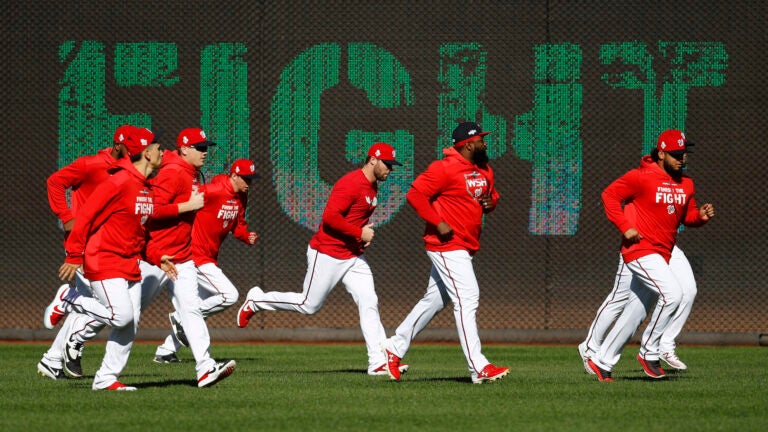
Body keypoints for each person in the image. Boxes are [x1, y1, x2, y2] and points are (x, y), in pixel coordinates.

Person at [236, 143, 407, 377]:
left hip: (352, 255)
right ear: (373, 161)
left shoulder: (372, 185)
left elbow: (351, 219)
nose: (391, 169)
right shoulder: (351, 183)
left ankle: (378, 361)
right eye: (388, 164)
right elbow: (329, 218)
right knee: (309, 305)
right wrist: (359, 233)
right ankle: (256, 300)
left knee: (369, 301)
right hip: (327, 252)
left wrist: (361, 233)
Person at [382, 121, 509, 384]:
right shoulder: (444, 168)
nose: (485, 144)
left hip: (465, 244)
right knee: (468, 298)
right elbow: (415, 194)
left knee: (434, 300)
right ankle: (479, 367)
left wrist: (490, 202)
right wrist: (437, 221)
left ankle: (394, 347)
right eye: (481, 140)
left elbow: (492, 196)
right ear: (468, 144)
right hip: (446, 245)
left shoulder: (484, 170)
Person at [586, 130, 715, 382]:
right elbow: (609, 195)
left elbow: (686, 217)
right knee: (673, 294)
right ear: (661, 153)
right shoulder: (640, 177)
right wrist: (625, 226)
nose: (682, 158)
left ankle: (602, 361)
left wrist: (699, 217)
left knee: (636, 312)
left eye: (684, 153)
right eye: (676, 154)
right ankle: (649, 352)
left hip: (664, 251)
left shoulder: (686, 183)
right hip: (640, 249)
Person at [56, 126, 166, 390]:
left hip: (129, 262)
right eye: (159, 148)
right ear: (147, 153)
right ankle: (70, 298)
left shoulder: (146, 188)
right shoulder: (118, 181)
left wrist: (156, 257)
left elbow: (140, 232)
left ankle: (106, 378)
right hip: (104, 258)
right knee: (121, 317)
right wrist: (74, 254)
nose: (164, 152)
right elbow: (85, 217)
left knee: (130, 324)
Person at [38, 125, 132, 380]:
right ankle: (67, 298)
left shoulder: (129, 170)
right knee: (110, 307)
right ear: (118, 145)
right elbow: (55, 181)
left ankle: (52, 359)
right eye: (133, 145)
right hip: (86, 245)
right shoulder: (90, 164)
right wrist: (66, 216)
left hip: (107, 244)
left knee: (95, 306)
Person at [145, 127, 236, 387]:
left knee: (192, 309)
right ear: (184, 148)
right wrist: (187, 206)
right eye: (200, 147)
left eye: (207, 147)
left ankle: (205, 367)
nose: (206, 152)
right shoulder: (173, 172)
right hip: (156, 256)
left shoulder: (191, 172)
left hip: (182, 256)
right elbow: (151, 210)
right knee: (122, 315)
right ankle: (60, 350)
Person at [153, 159, 259, 363]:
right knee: (229, 295)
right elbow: (187, 201)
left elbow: (238, 224)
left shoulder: (241, 196)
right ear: (234, 175)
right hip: (195, 255)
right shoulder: (212, 190)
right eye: (246, 179)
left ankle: (165, 351)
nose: (249, 183)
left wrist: (246, 236)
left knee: (199, 308)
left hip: (210, 256)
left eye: (252, 179)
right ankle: (180, 318)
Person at [578, 242, 696, 374]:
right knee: (619, 298)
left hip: (664, 244)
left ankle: (665, 344)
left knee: (688, 292)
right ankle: (590, 347)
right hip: (636, 246)